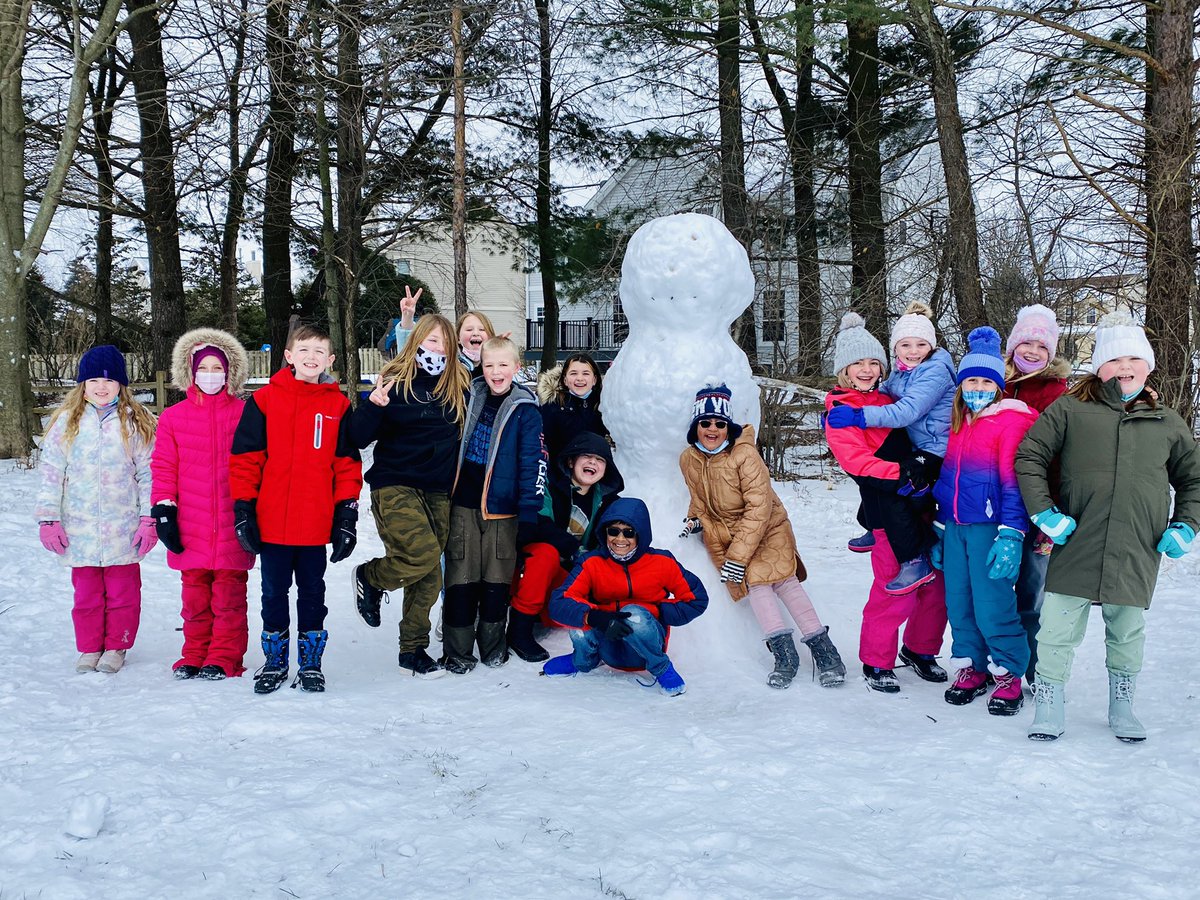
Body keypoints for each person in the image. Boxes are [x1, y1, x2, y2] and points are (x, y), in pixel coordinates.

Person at [1016, 312, 1200, 742]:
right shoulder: (1071, 409)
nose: (1124, 367)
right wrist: (1044, 513)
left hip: (1137, 542)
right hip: (1077, 538)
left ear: (1148, 366)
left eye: (1134, 358)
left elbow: (1192, 478)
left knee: (1127, 629)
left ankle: (1122, 705)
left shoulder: (1167, 421)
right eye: (1115, 359)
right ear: (1099, 366)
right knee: (1058, 627)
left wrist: (1186, 525)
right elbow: (1031, 457)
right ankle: (1049, 702)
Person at [681, 382, 846, 689]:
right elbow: (699, 498)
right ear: (696, 426)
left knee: (782, 581)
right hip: (733, 535)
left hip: (768, 527)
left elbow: (759, 507)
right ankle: (785, 655)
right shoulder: (689, 459)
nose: (712, 429)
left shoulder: (745, 456)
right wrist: (694, 519)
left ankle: (826, 653)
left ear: (728, 426)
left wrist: (738, 557)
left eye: (719, 423)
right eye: (705, 423)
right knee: (757, 587)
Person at [230, 324, 363, 694]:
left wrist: (346, 514)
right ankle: (275, 661)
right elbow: (246, 459)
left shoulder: (338, 405)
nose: (311, 357)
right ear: (288, 356)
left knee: (312, 593)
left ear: (330, 360)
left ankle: (310, 662)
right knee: (272, 592)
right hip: (271, 523)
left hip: (314, 525)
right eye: (303, 350)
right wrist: (243, 508)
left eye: (319, 352)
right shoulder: (264, 401)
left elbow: (347, 464)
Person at [823, 313, 948, 693]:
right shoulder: (840, 408)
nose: (866, 369)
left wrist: (923, 468)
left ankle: (920, 649)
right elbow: (856, 463)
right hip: (885, 508)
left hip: (920, 502)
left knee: (936, 585)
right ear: (843, 369)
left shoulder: (890, 394)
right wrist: (903, 471)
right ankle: (876, 660)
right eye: (857, 363)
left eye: (873, 362)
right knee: (894, 586)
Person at [349, 313, 471, 678]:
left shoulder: (458, 385)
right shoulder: (395, 383)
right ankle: (370, 577)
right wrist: (374, 405)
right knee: (421, 555)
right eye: (432, 341)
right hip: (395, 485)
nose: (439, 349)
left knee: (430, 576)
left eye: (446, 344)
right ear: (417, 340)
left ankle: (412, 649)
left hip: (438, 491)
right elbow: (355, 438)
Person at [930, 327, 1038, 716]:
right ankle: (972, 666)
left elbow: (1015, 482)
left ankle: (1008, 671)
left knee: (993, 604)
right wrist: (941, 529)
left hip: (991, 530)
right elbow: (948, 478)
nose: (978, 387)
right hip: (957, 526)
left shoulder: (1011, 422)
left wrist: (1011, 534)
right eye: (971, 380)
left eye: (985, 381)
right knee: (959, 601)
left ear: (998, 385)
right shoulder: (962, 421)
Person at [35, 345, 157, 674]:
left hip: (123, 527)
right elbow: (51, 474)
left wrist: (149, 519)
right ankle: (90, 647)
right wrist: (48, 519)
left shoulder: (136, 423)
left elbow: (148, 474)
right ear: (82, 385)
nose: (101, 388)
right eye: (93, 381)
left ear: (121, 384)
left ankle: (117, 646)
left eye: (108, 381)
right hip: (81, 527)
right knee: (87, 594)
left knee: (123, 593)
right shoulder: (66, 423)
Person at [825, 301, 957, 593]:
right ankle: (873, 526)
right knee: (877, 486)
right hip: (913, 447)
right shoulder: (902, 371)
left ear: (931, 346)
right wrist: (858, 402)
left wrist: (861, 415)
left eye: (921, 344)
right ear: (895, 350)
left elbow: (905, 411)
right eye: (905, 344)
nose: (913, 350)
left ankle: (915, 559)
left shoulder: (933, 371)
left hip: (934, 449)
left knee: (893, 490)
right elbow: (885, 393)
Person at [151, 329, 255, 680]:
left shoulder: (245, 414)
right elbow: (163, 466)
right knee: (194, 600)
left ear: (229, 373)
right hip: (191, 525)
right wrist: (164, 509)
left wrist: (253, 510)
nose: (210, 374)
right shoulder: (173, 418)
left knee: (228, 598)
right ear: (191, 372)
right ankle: (194, 653)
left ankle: (224, 657)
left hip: (231, 521)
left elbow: (259, 462)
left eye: (217, 368)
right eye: (203, 368)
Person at [442, 336, 546, 673]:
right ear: (481, 367)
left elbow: (533, 463)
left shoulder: (525, 409)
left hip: (504, 509)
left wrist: (529, 511)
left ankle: (492, 645)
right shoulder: (470, 396)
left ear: (517, 368)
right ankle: (457, 650)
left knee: (496, 579)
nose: (496, 372)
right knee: (461, 576)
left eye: (503, 365)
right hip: (463, 503)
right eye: (489, 365)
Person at [543, 497, 707, 696]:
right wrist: (595, 617)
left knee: (634, 613)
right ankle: (583, 660)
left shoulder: (662, 562)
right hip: (607, 644)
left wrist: (655, 611)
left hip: (644, 650)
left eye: (628, 532)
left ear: (641, 535)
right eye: (614, 531)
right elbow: (560, 602)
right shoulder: (592, 562)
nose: (620, 539)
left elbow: (696, 598)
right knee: (578, 621)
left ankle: (662, 668)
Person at [508, 431, 624, 662]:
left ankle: (544, 614)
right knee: (546, 553)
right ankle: (519, 631)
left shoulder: (607, 501)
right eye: (587, 456)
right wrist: (574, 549)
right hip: (529, 571)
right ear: (571, 461)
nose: (593, 462)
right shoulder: (549, 486)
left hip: (567, 575)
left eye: (600, 460)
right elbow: (540, 524)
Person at [1001, 304, 1069, 684]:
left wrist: (1051, 509)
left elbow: (1062, 455)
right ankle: (996, 662)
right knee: (993, 589)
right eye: (1025, 342)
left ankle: (1032, 667)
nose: (1032, 351)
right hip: (997, 500)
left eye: (1041, 347)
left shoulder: (1057, 392)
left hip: (1039, 504)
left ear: (1051, 353)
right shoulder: (994, 382)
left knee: (1031, 588)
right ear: (1012, 346)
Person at [536, 352, 610, 467]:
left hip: (596, 473)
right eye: (573, 373)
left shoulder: (605, 406)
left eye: (586, 373)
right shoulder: (552, 408)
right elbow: (543, 445)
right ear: (565, 380)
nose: (579, 378)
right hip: (560, 475)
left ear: (594, 379)